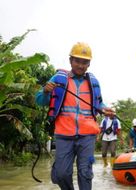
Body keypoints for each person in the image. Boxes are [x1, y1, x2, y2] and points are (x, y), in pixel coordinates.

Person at [36, 42, 113, 190]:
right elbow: (40, 101)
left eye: (85, 62)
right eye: (77, 61)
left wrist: (105, 110)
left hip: (87, 136)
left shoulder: (93, 82)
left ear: (89, 64)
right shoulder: (58, 79)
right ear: (70, 60)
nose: (80, 65)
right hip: (64, 134)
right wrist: (45, 91)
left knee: (85, 173)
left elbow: (99, 104)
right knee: (62, 174)